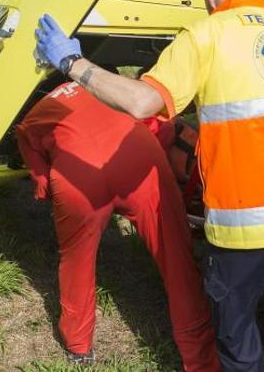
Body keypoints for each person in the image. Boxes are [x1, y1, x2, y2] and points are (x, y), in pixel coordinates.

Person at [34, 0, 264, 371]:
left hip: (245, 227)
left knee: (238, 339)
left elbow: (142, 102)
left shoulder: (206, 37)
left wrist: (73, 63)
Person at [14, 81, 220, 370]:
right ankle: (201, 362)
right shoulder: (100, 82)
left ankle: (78, 346)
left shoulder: (30, 121)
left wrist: (47, 190)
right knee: (177, 260)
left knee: (76, 260)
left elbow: (41, 182)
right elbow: (154, 125)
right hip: (136, 153)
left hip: (79, 176)